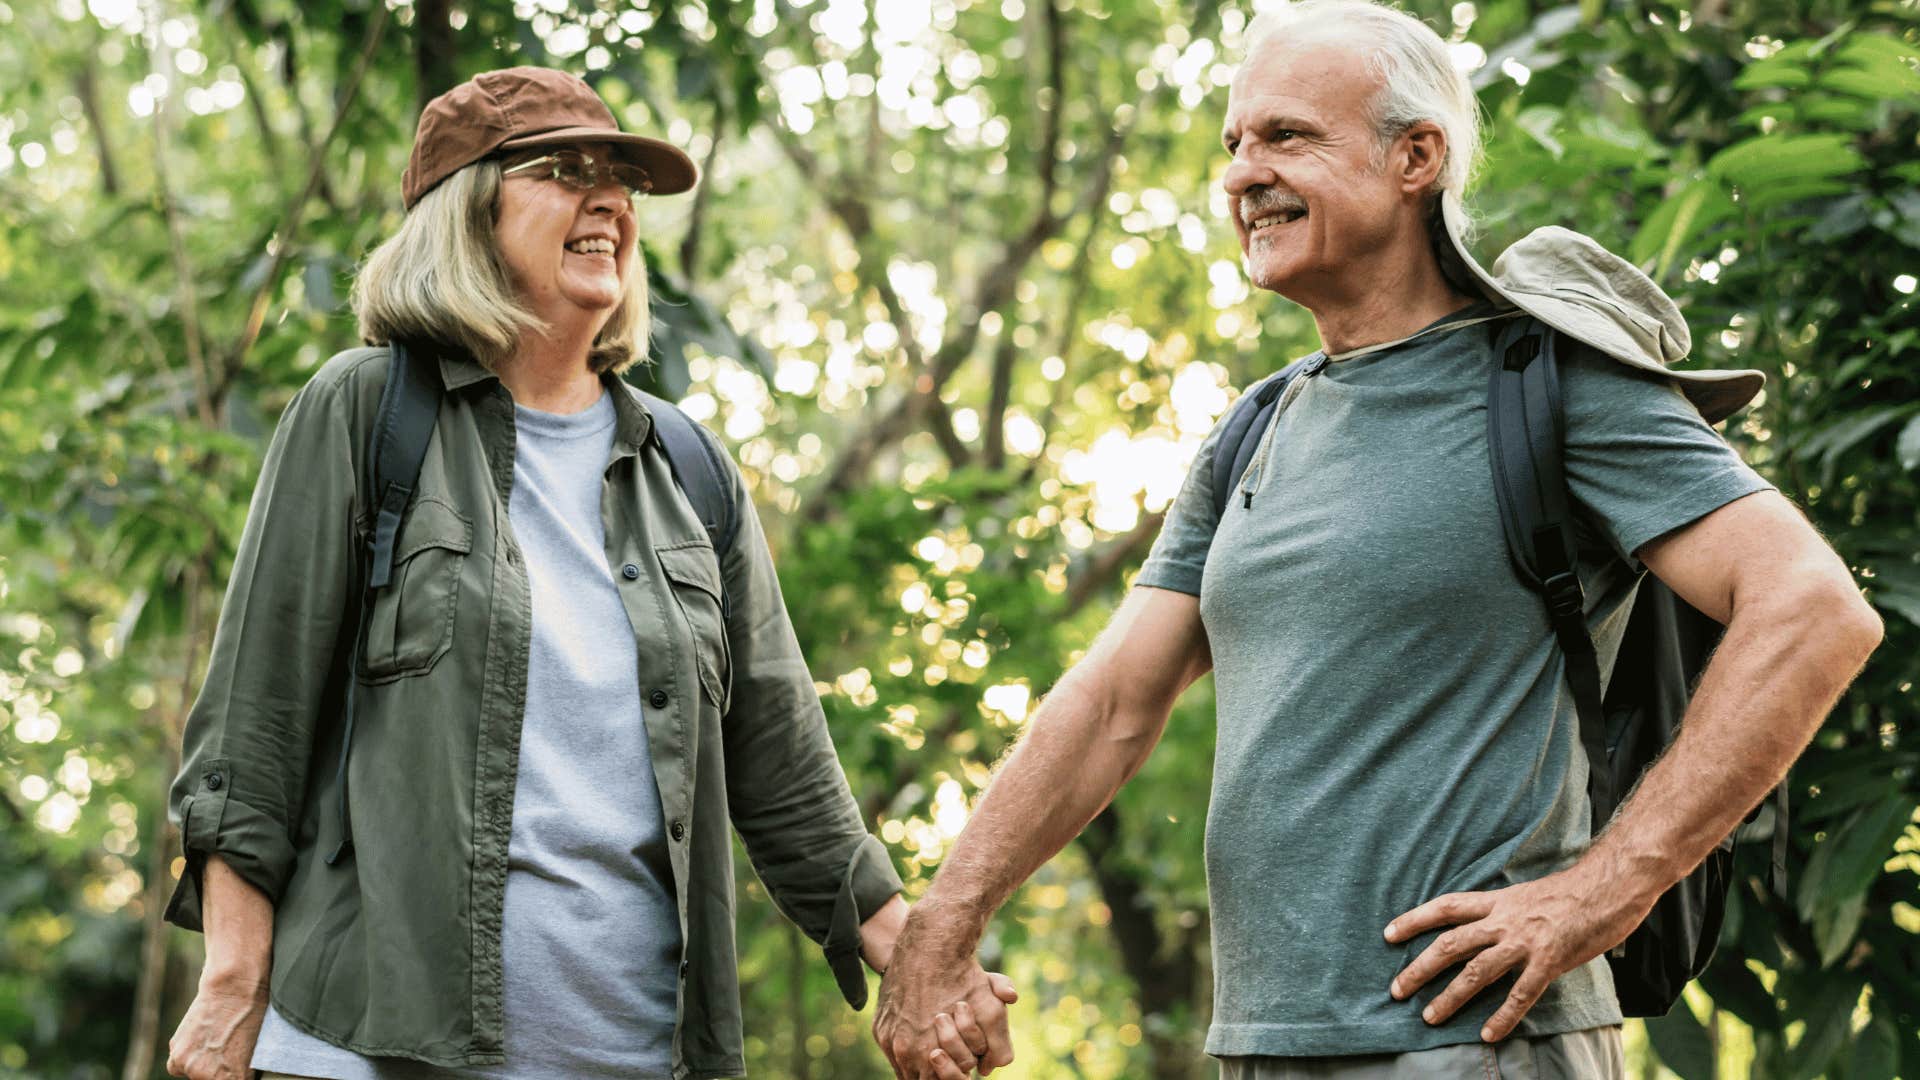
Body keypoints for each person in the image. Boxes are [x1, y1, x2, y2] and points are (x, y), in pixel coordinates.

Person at [873, 3, 1883, 1079]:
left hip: (1480, 1046)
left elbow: (1815, 610)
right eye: (1233, 144)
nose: (1243, 174)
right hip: (1265, 1045)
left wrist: (1600, 893)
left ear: (1416, 157)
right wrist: (946, 920)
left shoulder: (1551, 381)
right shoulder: (1255, 430)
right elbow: (1115, 701)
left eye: (1287, 136)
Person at [161, 66, 1012, 1079]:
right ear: (469, 212)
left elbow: (786, 773)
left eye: (621, 179)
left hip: (636, 1055)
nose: (607, 198)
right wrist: (229, 987)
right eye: (565, 170)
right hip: (368, 1050)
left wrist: (922, 965)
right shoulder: (366, 413)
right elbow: (251, 731)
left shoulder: (689, 472)